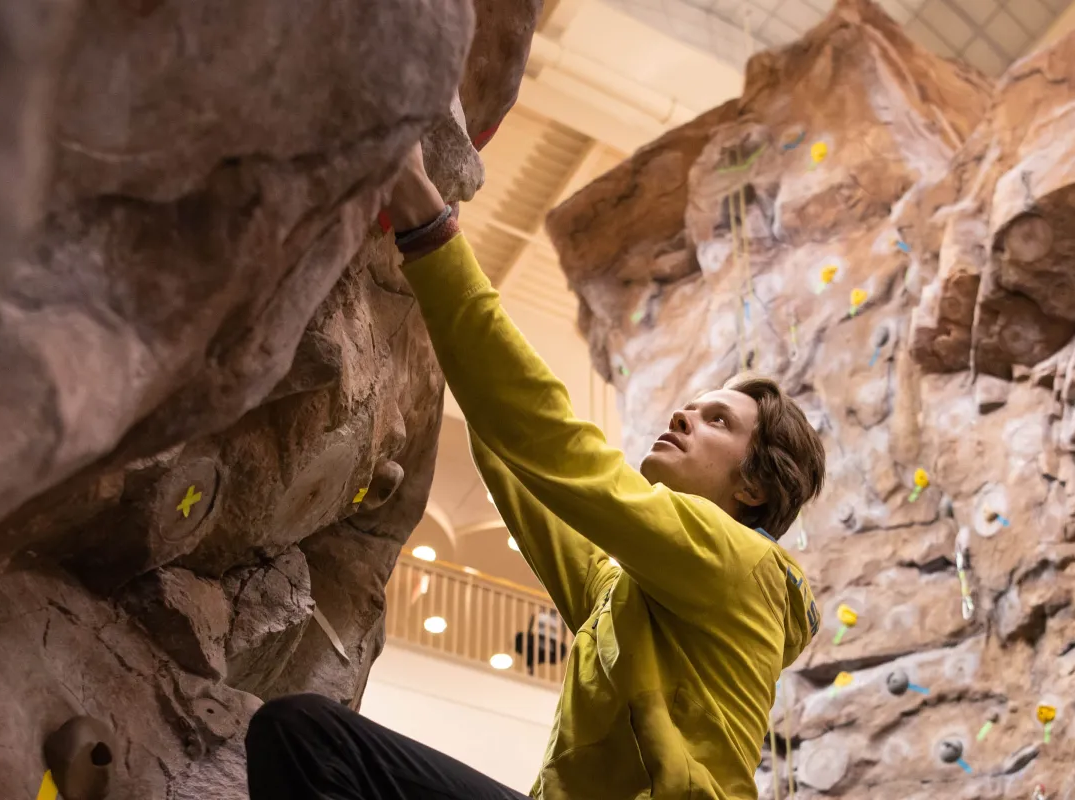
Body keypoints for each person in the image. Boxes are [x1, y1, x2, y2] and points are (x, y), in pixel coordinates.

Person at [245, 142, 826, 800]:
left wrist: (427, 228)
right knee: (302, 736)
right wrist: (433, 318)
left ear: (754, 486)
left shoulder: (741, 567)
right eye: (690, 406)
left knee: (311, 741)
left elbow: (548, 440)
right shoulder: (625, 593)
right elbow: (517, 453)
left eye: (719, 421)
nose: (685, 416)